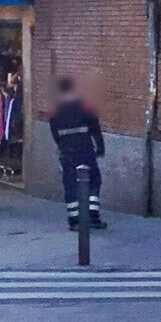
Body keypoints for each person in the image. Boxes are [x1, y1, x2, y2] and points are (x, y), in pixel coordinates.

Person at [49, 76, 106, 231]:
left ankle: (74, 220)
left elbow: (55, 133)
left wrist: (62, 146)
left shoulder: (55, 109)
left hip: (67, 152)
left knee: (70, 184)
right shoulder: (85, 106)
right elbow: (95, 127)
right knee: (94, 180)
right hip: (85, 150)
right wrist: (100, 147)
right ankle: (93, 216)